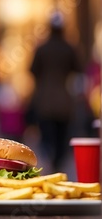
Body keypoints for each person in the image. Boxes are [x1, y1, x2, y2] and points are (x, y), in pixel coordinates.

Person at [29, 11, 82, 172]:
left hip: (44, 100)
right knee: (62, 136)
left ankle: (49, 159)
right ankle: (57, 163)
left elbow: (32, 70)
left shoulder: (42, 48)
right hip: (64, 101)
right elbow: (78, 69)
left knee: (46, 135)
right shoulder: (69, 48)